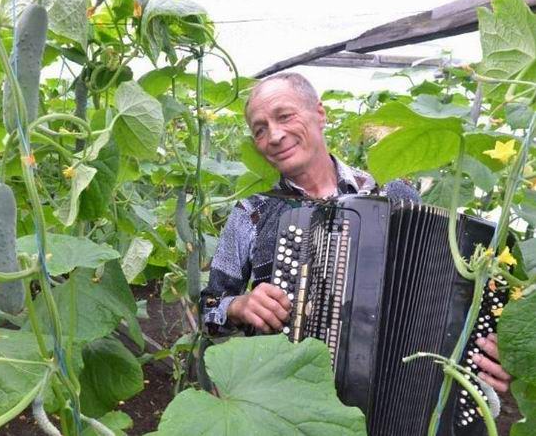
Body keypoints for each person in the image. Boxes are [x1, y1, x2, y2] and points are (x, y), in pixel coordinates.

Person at [200, 72, 512, 394]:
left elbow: (445, 290)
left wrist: (485, 349)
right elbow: (208, 308)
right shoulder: (251, 213)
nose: (274, 136)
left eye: (285, 116)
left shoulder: (394, 193)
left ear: (320, 114)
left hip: (400, 392)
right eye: (260, 130)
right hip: (288, 401)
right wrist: (238, 306)